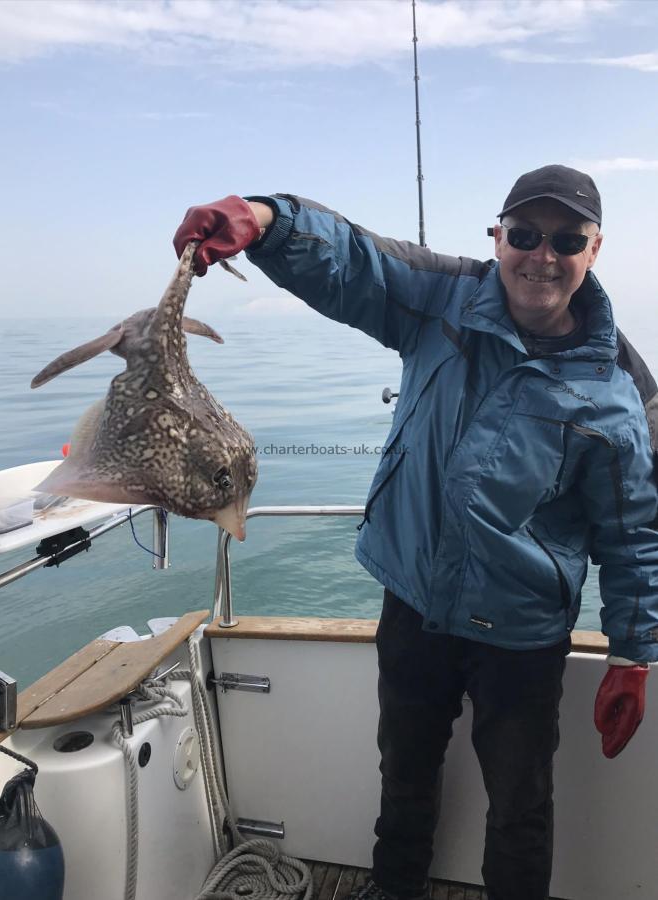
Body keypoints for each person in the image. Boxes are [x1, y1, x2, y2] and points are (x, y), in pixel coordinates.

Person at [173, 165, 658, 900]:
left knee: (520, 807)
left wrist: (630, 651)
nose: (541, 255)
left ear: (594, 250)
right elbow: (356, 261)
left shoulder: (615, 390)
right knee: (401, 777)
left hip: (522, 636)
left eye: (565, 239)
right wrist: (268, 219)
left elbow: (631, 535)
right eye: (523, 234)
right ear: (497, 238)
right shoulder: (441, 299)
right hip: (414, 604)